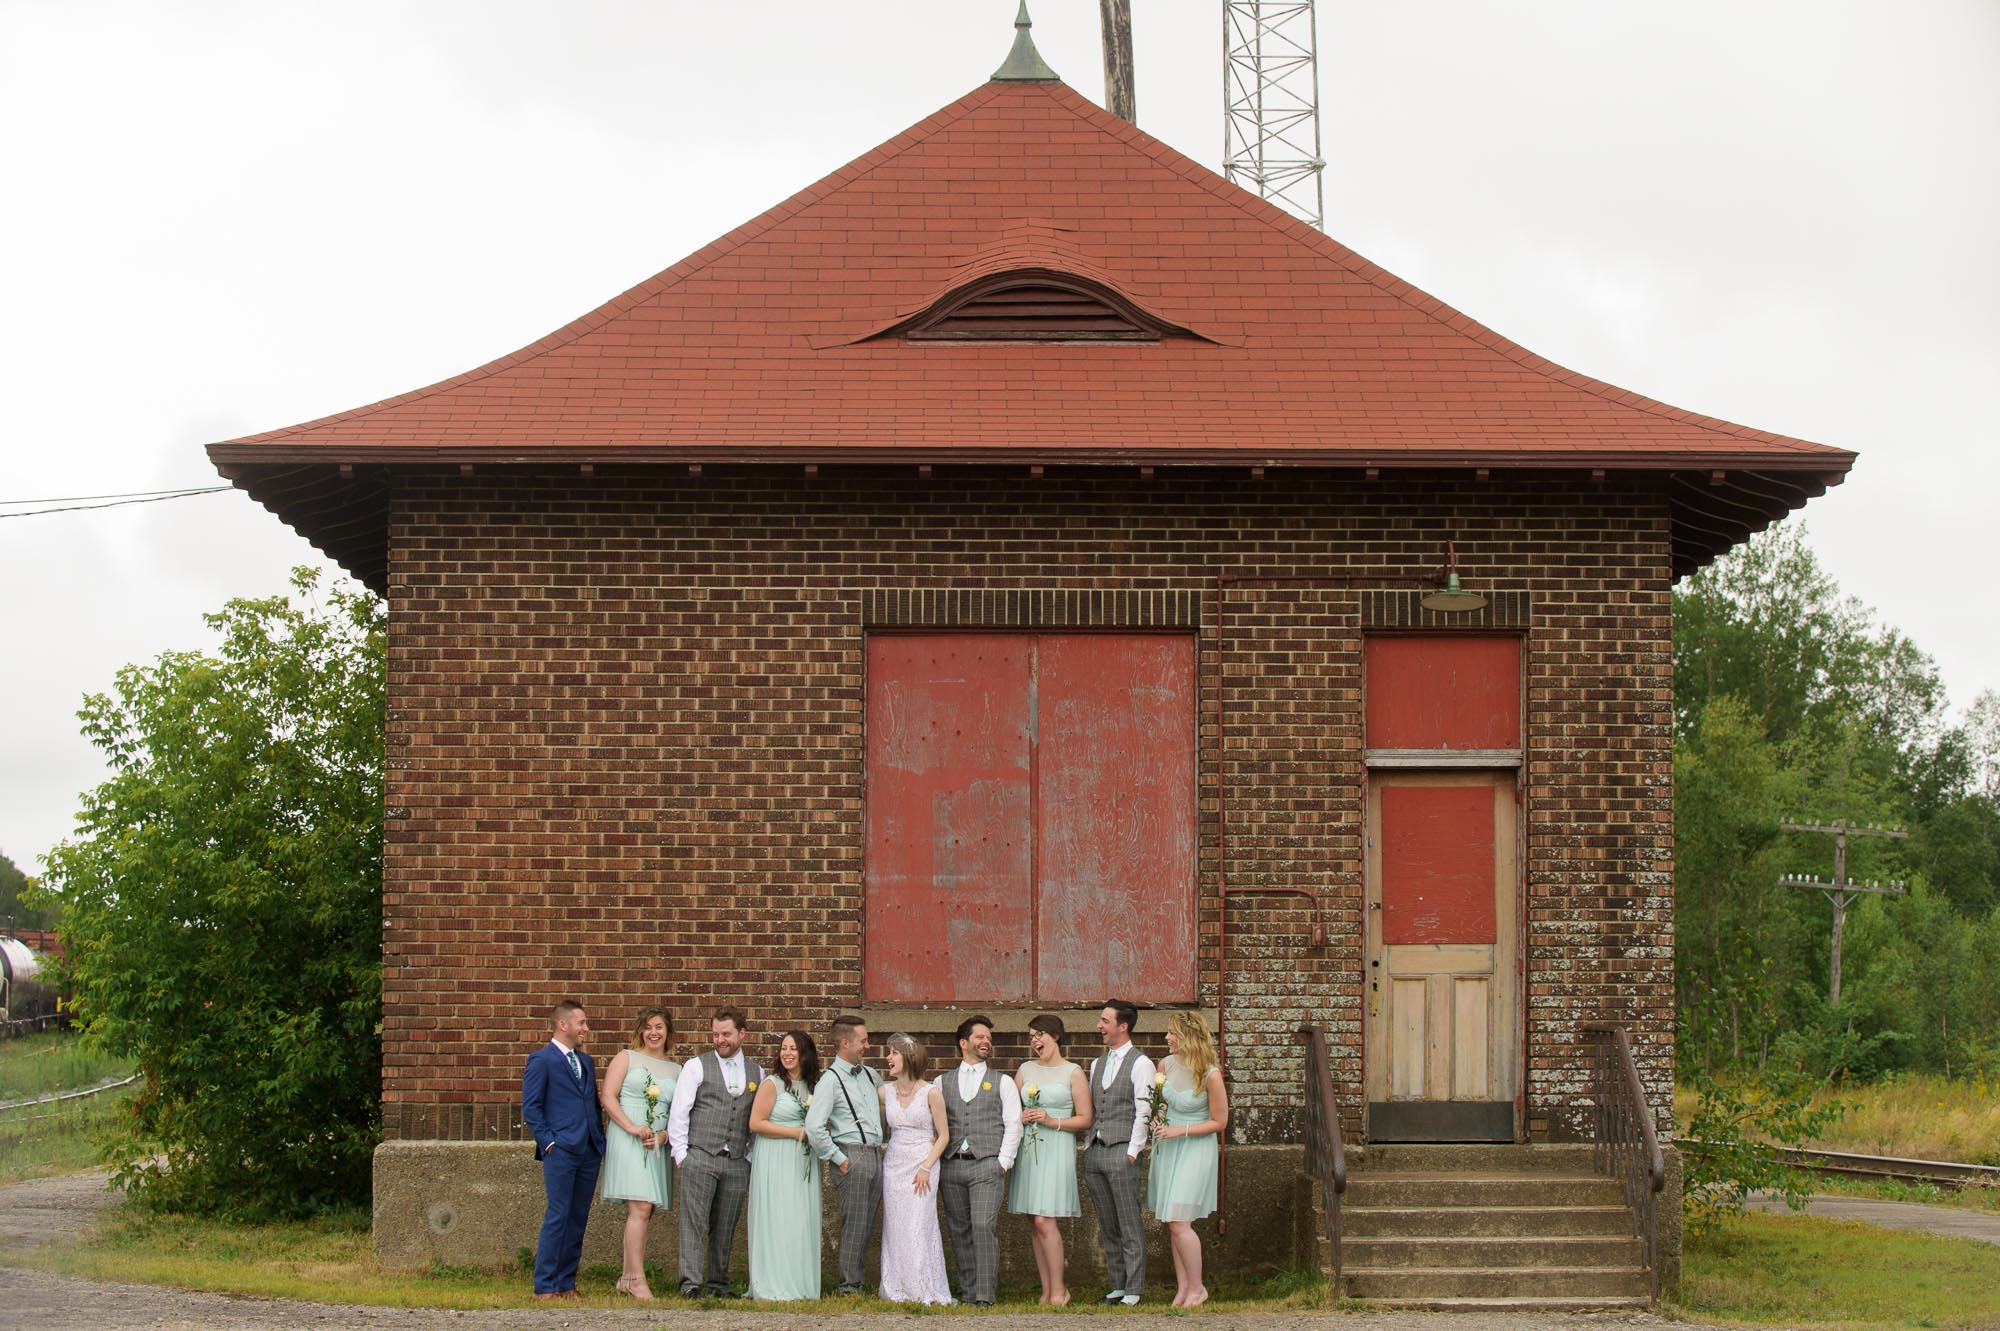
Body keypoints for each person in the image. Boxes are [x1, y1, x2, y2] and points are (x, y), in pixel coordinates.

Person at [668, 1006, 764, 1298]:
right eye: (715, 1034)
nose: (720, 1040)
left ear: (742, 1034)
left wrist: (747, 1157)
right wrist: (681, 1154)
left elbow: (756, 1119)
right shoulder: (696, 1066)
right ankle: (690, 1283)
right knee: (694, 1222)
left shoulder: (757, 1072)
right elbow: (680, 1111)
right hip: (700, 1155)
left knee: (726, 1224)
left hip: (736, 1161)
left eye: (726, 1034)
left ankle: (718, 1283)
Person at [521, 1000, 606, 1302]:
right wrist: (549, 1143)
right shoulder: (541, 1060)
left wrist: (599, 1140)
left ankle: (566, 1282)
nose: (586, 1029)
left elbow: (591, 1104)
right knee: (558, 1214)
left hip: (589, 1149)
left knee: (578, 1216)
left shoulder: (586, 1062)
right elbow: (531, 1107)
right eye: (582, 1022)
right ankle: (545, 1286)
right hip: (561, 1150)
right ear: (563, 1025)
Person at [597, 1007, 681, 1300]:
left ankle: (626, 1277)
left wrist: (664, 1135)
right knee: (641, 1208)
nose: (654, 1032)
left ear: (668, 1031)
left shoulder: (676, 1070)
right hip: (628, 1137)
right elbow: (607, 1096)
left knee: (646, 1210)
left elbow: (678, 1114)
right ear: (640, 1031)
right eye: (648, 1027)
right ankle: (636, 1280)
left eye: (659, 1027)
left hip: (655, 1143)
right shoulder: (626, 1058)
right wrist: (631, 1127)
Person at [937, 1014, 1021, 1306]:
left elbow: (1014, 1123)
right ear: (964, 1043)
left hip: (987, 1164)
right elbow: (934, 1124)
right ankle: (969, 1291)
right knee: (959, 1229)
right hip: (951, 1165)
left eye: (988, 1038)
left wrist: (1003, 1162)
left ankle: (985, 1295)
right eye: (980, 1037)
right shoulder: (940, 1082)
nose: (986, 1042)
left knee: (983, 1226)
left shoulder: (1004, 1081)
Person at [1146, 1011, 1228, 1308]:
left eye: (1172, 1033)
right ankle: (1182, 1290)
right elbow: (1161, 1103)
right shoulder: (1164, 1064)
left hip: (1195, 1147)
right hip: (1168, 1145)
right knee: (1172, 1221)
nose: (1167, 1038)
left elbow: (1220, 1122)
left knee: (1180, 1220)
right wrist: (1158, 1118)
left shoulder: (1210, 1074)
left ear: (1188, 1036)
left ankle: (1197, 1288)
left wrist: (1181, 1129)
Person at [1009, 1013, 1092, 1305]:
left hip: (1056, 1146)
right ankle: (1046, 1291)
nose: (1035, 1041)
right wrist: (1020, 1116)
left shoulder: (1073, 1072)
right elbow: (1009, 1110)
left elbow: (1085, 1119)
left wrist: (1051, 1120)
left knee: (1046, 1218)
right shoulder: (1024, 1069)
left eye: (1040, 1034)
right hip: (1029, 1149)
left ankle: (1060, 1289)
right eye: (1031, 1036)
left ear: (1055, 1036)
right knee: (1034, 1219)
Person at [803, 1014, 885, 1295]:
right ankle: (849, 1286)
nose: (867, 1045)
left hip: (875, 1154)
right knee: (854, 1223)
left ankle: (857, 1281)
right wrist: (839, 1158)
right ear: (845, 1042)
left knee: (867, 1223)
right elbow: (814, 1127)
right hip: (851, 1155)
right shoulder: (831, 1079)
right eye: (863, 1040)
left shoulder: (871, 1076)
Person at [1085, 999, 1155, 1306]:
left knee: (1128, 1222)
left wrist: (1133, 1150)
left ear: (1122, 1026)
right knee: (1108, 1223)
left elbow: (1144, 1110)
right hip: (1096, 1152)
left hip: (1122, 1152)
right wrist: (1088, 1146)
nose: (1099, 1026)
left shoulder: (1141, 1064)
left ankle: (1135, 1288)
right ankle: (1117, 1285)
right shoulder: (1096, 1064)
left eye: (1104, 1021)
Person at [877, 1032, 953, 1305]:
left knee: (919, 1224)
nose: (888, 1058)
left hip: (924, 1163)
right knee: (896, 1226)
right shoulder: (884, 1092)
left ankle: (923, 1287)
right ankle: (897, 1285)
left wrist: (926, 1166)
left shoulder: (931, 1092)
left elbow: (943, 1135)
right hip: (894, 1163)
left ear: (909, 1058)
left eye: (894, 1053)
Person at [746, 1030, 823, 1300]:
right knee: (777, 1217)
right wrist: (797, 1133)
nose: (787, 1053)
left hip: (803, 1160)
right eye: (784, 1048)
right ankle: (772, 1282)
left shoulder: (814, 1086)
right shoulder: (772, 1084)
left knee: (799, 1219)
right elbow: (756, 1124)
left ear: (805, 1055)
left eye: (793, 1049)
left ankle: (801, 1283)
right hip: (775, 1157)